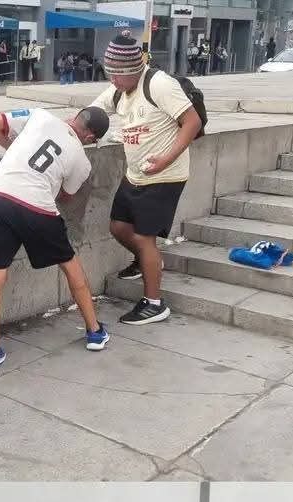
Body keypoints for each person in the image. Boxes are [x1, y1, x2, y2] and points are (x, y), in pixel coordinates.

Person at [0, 106, 111, 374]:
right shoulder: (82, 161)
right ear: (90, 138)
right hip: (37, 207)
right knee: (70, 266)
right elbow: (66, 195)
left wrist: (14, 151)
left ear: (76, 118)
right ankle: (95, 332)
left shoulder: (38, 115)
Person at [91, 32, 202, 324]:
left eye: (117, 75)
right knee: (118, 227)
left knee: (143, 237)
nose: (113, 81)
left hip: (165, 174)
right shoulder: (118, 90)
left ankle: (154, 302)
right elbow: (93, 111)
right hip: (135, 174)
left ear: (133, 71)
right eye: (109, 74)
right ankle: (146, 260)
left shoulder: (159, 84)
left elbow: (192, 122)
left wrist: (167, 158)